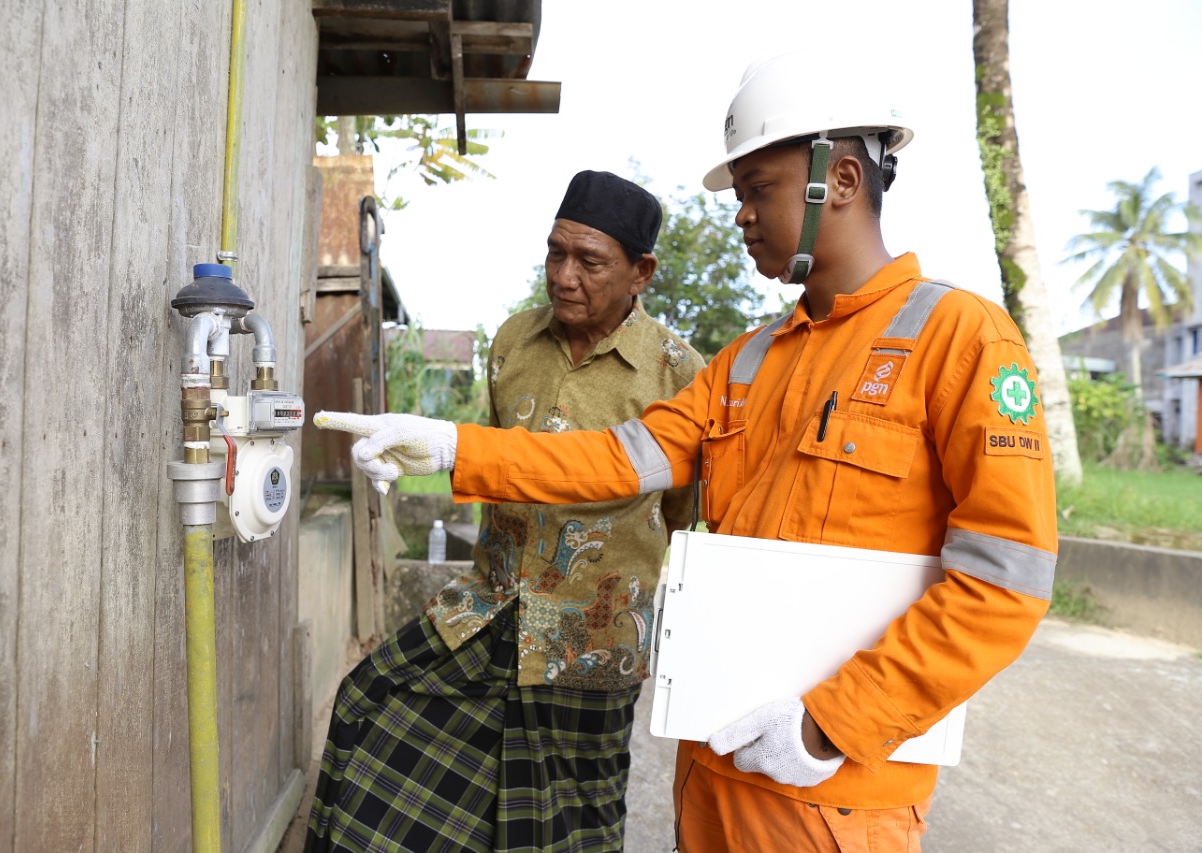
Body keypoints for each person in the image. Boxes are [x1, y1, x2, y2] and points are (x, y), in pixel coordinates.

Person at [316, 50, 1060, 852]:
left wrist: (828, 725)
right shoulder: (747, 361)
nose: (739, 216)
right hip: (713, 770)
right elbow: (612, 461)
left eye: (756, 192)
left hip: (835, 793)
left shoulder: (961, 338)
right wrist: (451, 444)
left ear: (839, 181)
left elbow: (1003, 581)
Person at [305, 170, 705, 852]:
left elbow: (681, 515)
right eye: (556, 253)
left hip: (588, 649)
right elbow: (490, 462)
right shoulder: (514, 342)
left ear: (641, 272)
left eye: (589, 260)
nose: (564, 275)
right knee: (368, 702)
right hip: (484, 612)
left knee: (564, 833)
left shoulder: (679, 375)